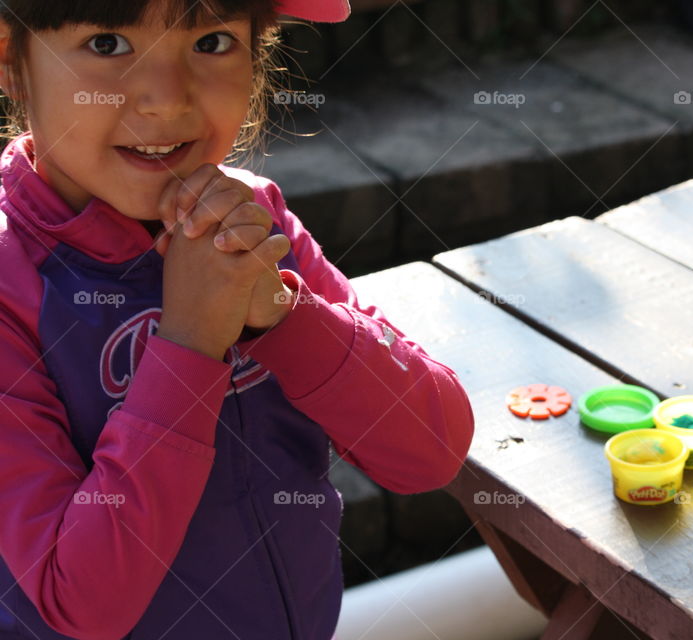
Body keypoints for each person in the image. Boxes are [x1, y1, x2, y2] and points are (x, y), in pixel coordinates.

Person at [0, 0, 475, 638]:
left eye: (213, 42)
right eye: (108, 42)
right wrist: (191, 342)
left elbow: (431, 450)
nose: (167, 100)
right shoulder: (12, 286)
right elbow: (80, 602)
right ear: (12, 60)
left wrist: (282, 313)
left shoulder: (257, 222)